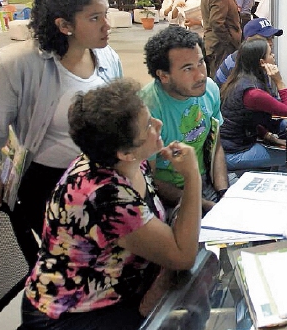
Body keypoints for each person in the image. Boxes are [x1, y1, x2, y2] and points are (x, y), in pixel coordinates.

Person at [19, 79, 201, 330]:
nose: (157, 124)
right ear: (125, 152)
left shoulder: (125, 161)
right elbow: (182, 256)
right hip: (75, 314)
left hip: (121, 287)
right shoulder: (104, 196)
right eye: (148, 125)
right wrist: (192, 176)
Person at [0, 0, 123, 235]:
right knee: (67, 258)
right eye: (94, 18)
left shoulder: (106, 56)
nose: (107, 25)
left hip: (104, 175)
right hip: (50, 182)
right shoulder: (15, 64)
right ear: (64, 25)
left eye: (106, 14)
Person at [140, 26, 231, 214]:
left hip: (205, 181)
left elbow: (216, 145)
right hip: (169, 196)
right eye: (188, 68)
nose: (200, 75)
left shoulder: (210, 90)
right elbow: (149, 178)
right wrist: (206, 206)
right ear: (163, 75)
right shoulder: (147, 110)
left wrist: (224, 194)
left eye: (200, 63)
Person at [220, 39, 287, 172]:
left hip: (231, 145)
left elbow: (248, 119)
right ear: (262, 62)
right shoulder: (253, 93)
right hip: (232, 154)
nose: (273, 56)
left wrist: (270, 138)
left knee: (283, 132)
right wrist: (279, 81)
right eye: (270, 54)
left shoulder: (239, 80)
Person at [200, 0, 241, 78]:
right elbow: (216, 22)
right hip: (221, 47)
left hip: (218, 44)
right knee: (222, 81)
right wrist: (228, 42)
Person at [215, 17, 283, 87]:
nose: (271, 43)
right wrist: (279, 83)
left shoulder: (259, 59)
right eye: (266, 38)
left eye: (271, 38)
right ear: (250, 40)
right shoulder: (237, 62)